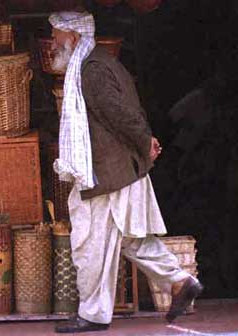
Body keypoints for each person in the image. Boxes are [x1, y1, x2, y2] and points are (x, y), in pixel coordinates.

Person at [49, 11, 203, 333]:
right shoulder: (98, 62)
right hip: (114, 171)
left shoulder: (91, 70)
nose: (52, 44)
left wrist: (145, 141)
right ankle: (180, 281)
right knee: (132, 240)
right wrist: (145, 140)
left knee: (87, 242)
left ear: (73, 38)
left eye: (56, 37)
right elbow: (127, 110)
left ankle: (92, 314)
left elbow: (119, 113)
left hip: (106, 174)